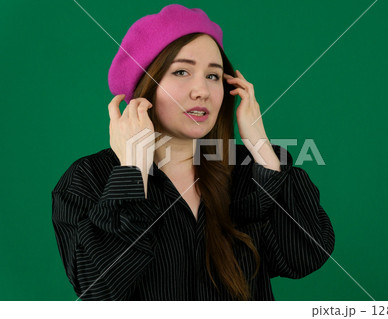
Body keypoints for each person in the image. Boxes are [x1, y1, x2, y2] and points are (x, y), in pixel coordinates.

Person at [52, 4, 335, 301]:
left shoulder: (244, 169)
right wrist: (133, 171)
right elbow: (98, 290)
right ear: (145, 87)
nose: (201, 90)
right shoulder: (87, 179)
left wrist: (260, 145)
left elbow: (304, 257)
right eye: (182, 71)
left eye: (213, 76)